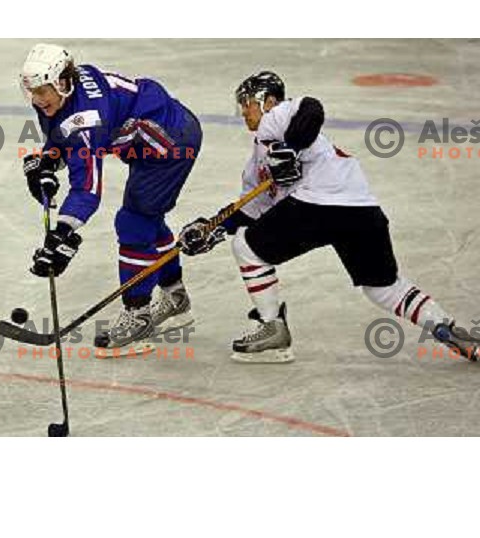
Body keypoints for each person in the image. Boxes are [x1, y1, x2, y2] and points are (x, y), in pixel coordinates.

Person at [178, 71, 479, 363]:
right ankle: (445, 327)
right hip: (361, 209)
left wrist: (290, 150)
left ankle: (273, 330)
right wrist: (212, 227)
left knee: (248, 248)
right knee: (382, 287)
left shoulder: (277, 117)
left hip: (318, 204)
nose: (243, 111)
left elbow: (312, 108)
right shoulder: (257, 159)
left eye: (248, 102)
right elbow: (252, 208)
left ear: (268, 101)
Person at [19, 43, 201, 353]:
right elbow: (62, 134)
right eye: (32, 91)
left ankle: (138, 313)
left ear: (62, 82)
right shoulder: (61, 95)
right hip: (153, 139)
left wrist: (62, 232)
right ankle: (175, 296)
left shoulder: (87, 119)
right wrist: (49, 159)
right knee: (148, 220)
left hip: (170, 146)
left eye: (43, 90)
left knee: (134, 223)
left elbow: (87, 190)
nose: (37, 98)